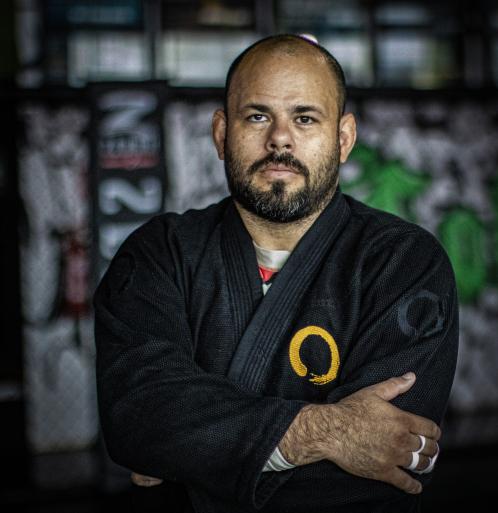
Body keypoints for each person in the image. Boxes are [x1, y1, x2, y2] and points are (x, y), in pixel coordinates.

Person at [94, 34, 458, 513]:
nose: (280, 138)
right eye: (257, 116)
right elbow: (137, 418)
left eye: (304, 118)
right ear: (221, 134)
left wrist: (190, 454)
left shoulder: (403, 262)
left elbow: (380, 467)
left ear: (343, 139)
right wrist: (323, 432)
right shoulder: (159, 254)